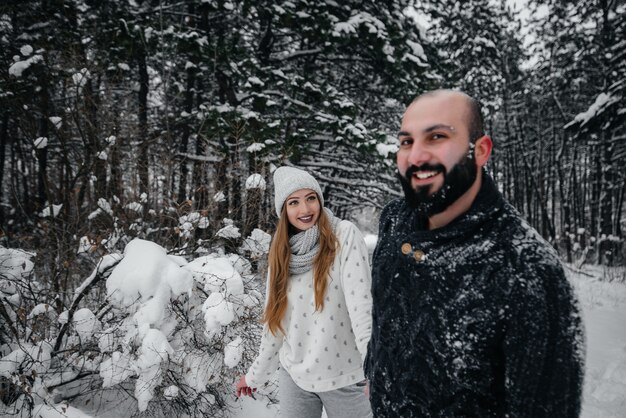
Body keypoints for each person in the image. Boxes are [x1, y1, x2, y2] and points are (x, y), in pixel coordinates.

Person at [365, 90, 585, 417]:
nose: (415, 156)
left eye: (437, 137)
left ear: (480, 150)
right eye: (407, 141)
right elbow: (384, 317)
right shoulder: (394, 221)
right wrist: (374, 370)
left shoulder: (526, 267)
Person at [236, 166, 373, 418]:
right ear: (284, 210)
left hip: (343, 375)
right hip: (295, 376)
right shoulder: (281, 252)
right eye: (294, 202)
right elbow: (275, 324)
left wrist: (375, 368)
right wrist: (255, 374)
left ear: (319, 200)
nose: (305, 209)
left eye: (311, 198)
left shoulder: (343, 235)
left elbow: (361, 308)